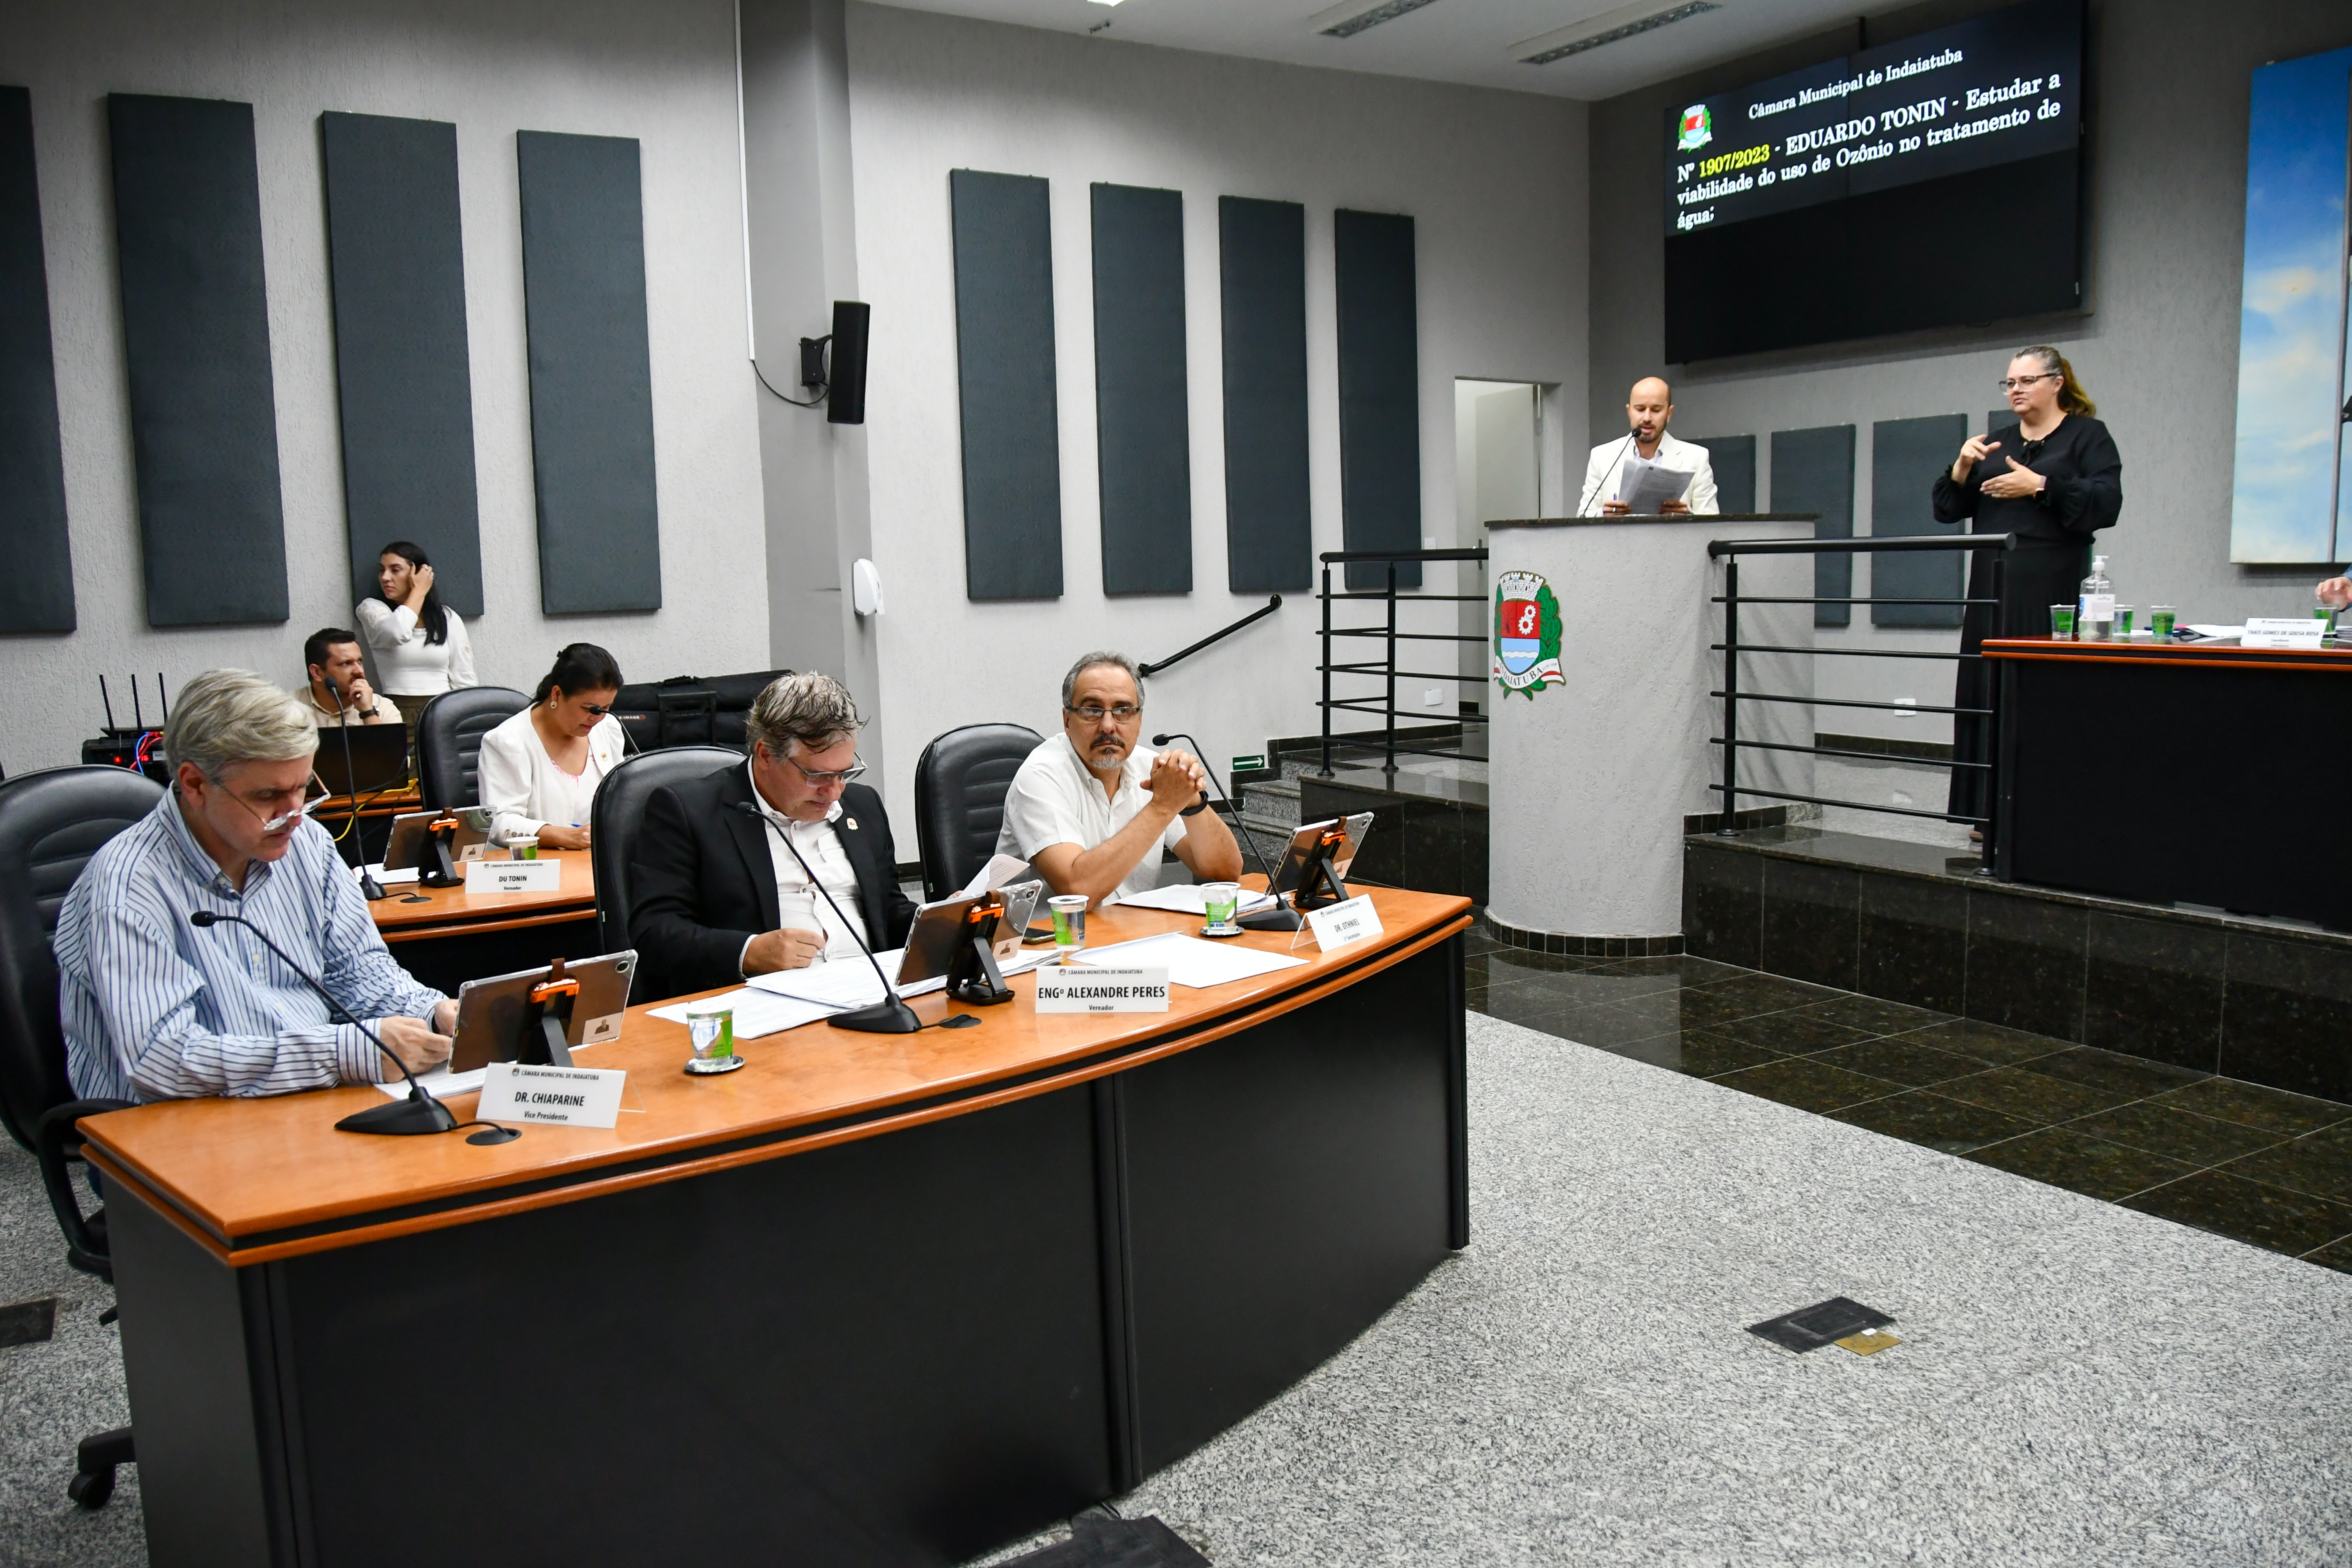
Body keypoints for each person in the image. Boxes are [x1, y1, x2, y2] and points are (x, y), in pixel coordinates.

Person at [54, 670, 456, 1102]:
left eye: (303, 788)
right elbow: (164, 1060)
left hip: (306, 1096)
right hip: (172, 1129)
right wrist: (345, 1052)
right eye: (268, 796)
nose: (295, 814)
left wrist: (431, 1012)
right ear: (195, 785)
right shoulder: (127, 885)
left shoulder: (308, 844)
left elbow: (356, 971)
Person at [628, 673, 917, 1002]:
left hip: (875, 993)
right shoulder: (687, 811)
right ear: (766, 755)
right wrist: (748, 952)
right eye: (819, 776)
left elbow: (889, 909)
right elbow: (654, 934)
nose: (835, 791)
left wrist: (942, 923)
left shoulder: (862, 806)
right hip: (766, 1005)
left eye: (844, 773)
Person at [1933, 345, 2123, 830]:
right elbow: (1947, 509)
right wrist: (1960, 468)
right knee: (1986, 689)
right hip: (1992, 585)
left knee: (2042, 693)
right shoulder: (1995, 443)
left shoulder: (2087, 437)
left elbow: (2106, 504)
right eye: (2009, 383)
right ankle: (1985, 812)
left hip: (2051, 586)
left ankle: (2042, 811)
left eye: (2025, 381)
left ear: (2057, 382)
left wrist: (2039, 486)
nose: (2015, 390)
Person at [996, 652, 1244, 907]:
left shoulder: (1151, 768)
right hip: (1052, 940)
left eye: (1123, 711)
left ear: (1139, 720)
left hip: (1131, 933)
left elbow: (1224, 873)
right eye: (1092, 710)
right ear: (1068, 720)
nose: (1107, 726)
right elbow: (1077, 891)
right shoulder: (1040, 776)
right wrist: (1162, 807)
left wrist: (1192, 802)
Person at [476, 644, 627, 850]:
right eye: (588, 709)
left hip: (601, 860)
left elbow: (624, 798)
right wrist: (564, 837)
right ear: (556, 695)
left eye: (606, 708)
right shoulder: (508, 741)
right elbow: (499, 822)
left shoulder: (608, 728)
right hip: (541, 865)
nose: (597, 718)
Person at [355, 540, 476, 747]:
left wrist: (467, 721)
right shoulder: (372, 610)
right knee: (405, 776)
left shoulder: (446, 617)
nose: (386, 578)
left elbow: (464, 677)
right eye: (382, 570)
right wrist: (419, 591)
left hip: (443, 711)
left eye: (395, 570)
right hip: (398, 711)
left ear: (417, 574)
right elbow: (397, 632)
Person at [1578, 376, 1719, 517]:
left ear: (1669, 414)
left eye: (1656, 410)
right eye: (1640, 409)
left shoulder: (1696, 457)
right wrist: (1603, 514)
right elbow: (1583, 516)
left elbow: (1712, 521)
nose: (1647, 418)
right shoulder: (1602, 456)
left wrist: (1687, 516)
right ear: (1629, 412)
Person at [297, 628, 400, 729]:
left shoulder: (384, 708)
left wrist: (368, 712)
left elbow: (388, 746)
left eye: (360, 661)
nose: (360, 671)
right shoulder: (289, 708)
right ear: (317, 673)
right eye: (346, 664)